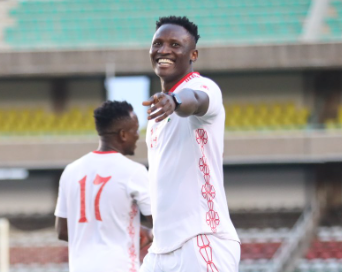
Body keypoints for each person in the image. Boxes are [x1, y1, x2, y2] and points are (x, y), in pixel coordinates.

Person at [140, 16, 240, 272]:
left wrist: (175, 100)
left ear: (193, 53)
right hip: (160, 250)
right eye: (158, 43)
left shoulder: (203, 86)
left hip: (202, 239)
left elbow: (194, 99)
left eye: (175, 44)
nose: (164, 50)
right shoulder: (156, 114)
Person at [55, 100, 153, 272]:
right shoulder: (133, 171)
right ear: (123, 134)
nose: (138, 135)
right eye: (135, 130)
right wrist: (149, 233)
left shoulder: (71, 171)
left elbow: (62, 230)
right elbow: (162, 224)